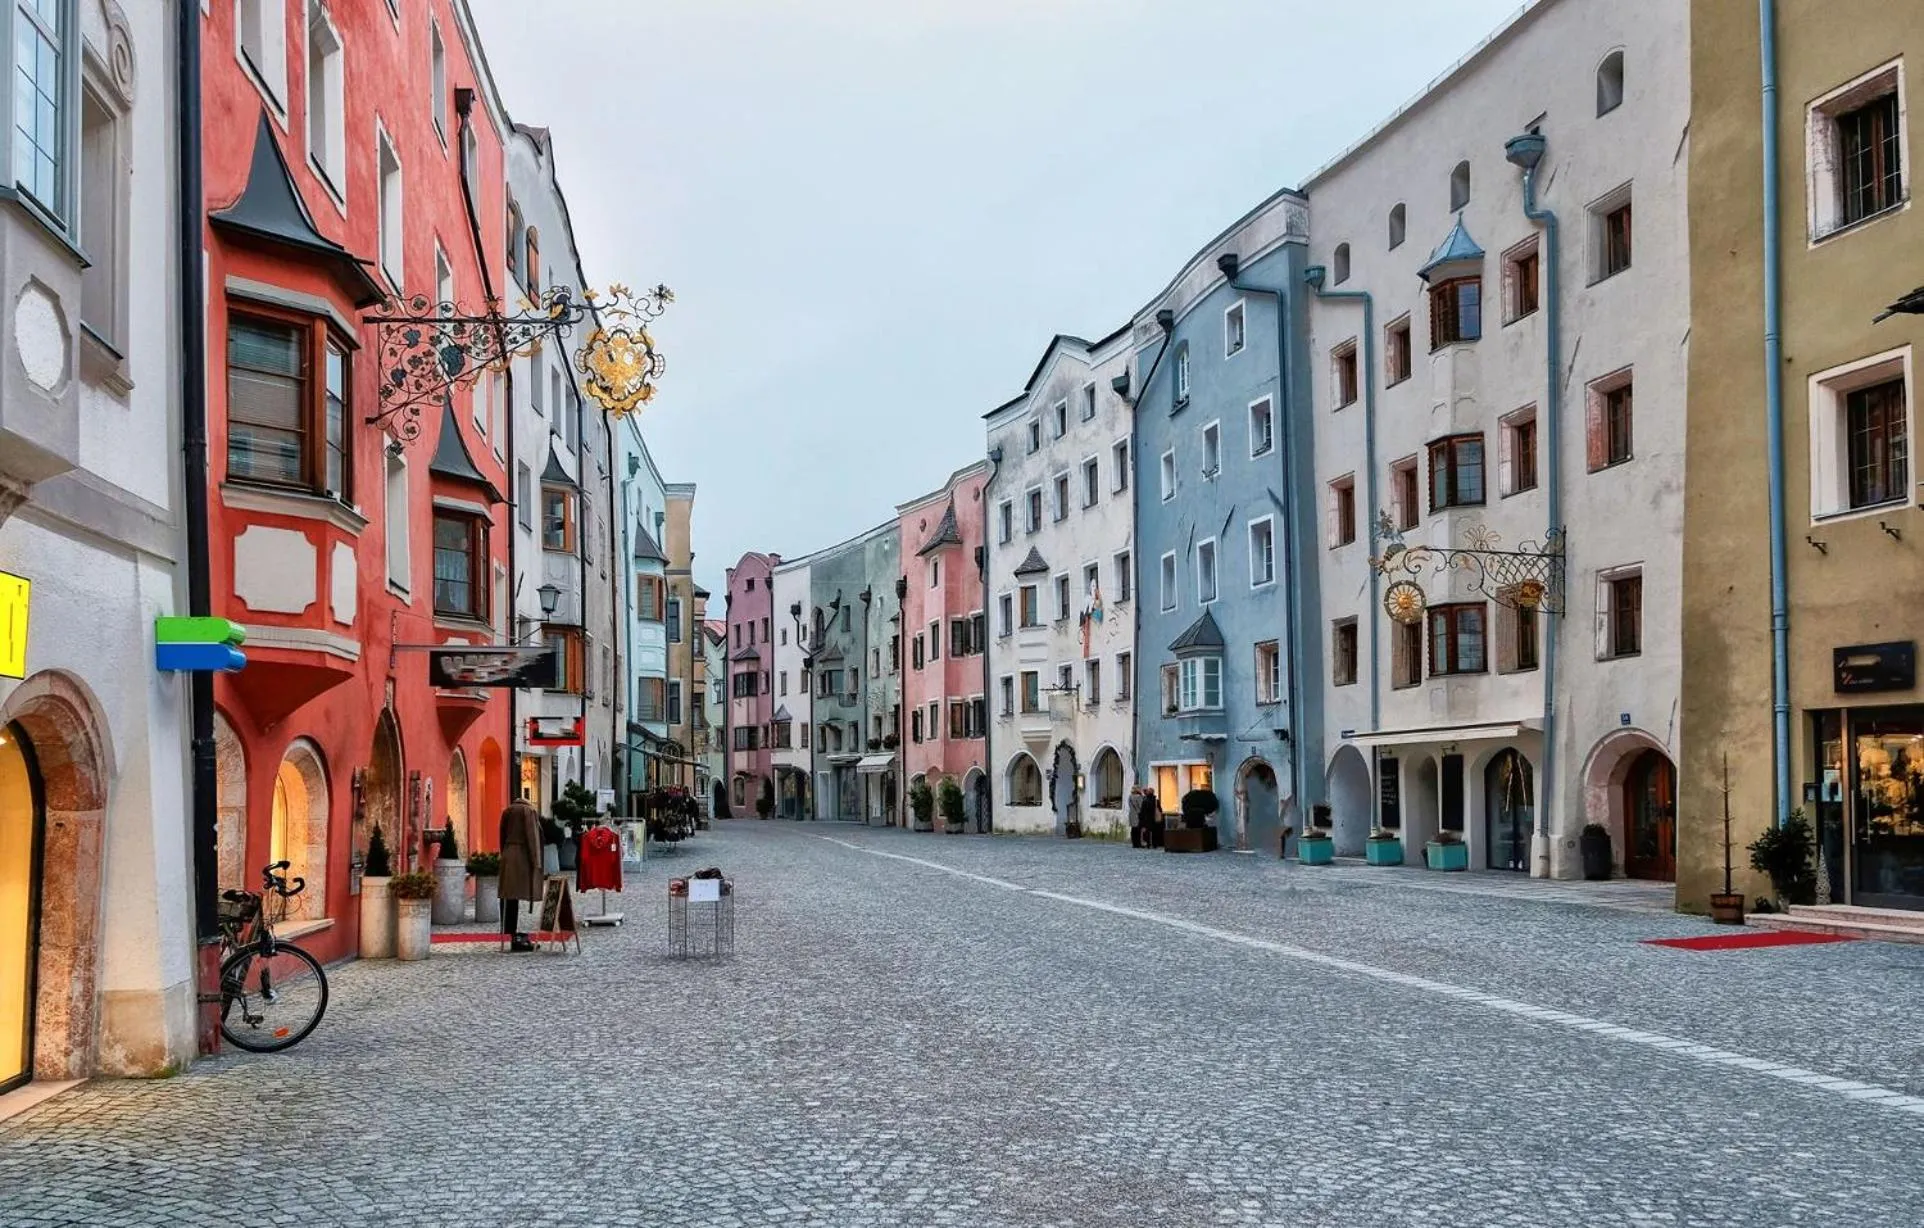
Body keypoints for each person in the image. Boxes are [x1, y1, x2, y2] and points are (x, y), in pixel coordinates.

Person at [498, 792, 545, 953]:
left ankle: (509, 932)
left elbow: (501, 835)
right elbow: (532, 837)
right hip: (522, 857)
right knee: (516, 894)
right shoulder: (528, 811)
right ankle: (515, 938)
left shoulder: (507, 811)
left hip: (508, 853)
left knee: (509, 896)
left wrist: (503, 852)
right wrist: (536, 862)